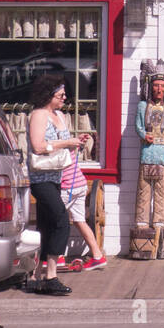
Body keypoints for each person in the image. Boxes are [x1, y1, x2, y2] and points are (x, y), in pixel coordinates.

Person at [26, 74, 76, 296]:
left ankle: (35, 276)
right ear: (49, 95)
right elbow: (37, 146)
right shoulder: (39, 115)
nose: (64, 97)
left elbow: (56, 144)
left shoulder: (59, 115)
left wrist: (75, 143)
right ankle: (51, 275)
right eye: (60, 94)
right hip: (40, 178)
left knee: (45, 226)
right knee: (61, 221)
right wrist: (66, 142)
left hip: (55, 176)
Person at [60, 111, 107, 272]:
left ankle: (57, 256)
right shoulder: (67, 140)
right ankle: (97, 256)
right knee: (80, 221)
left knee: (54, 221)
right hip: (79, 183)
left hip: (68, 186)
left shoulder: (58, 143)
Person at [135, 60, 164, 231]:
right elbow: (138, 126)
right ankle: (142, 221)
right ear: (150, 86)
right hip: (147, 154)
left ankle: (159, 222)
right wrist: (145, 135)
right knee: (144, 192)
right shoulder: (143, 106)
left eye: (162, 86)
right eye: (156, 85)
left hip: (161, 154)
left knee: (160, 192)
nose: (159, 89)